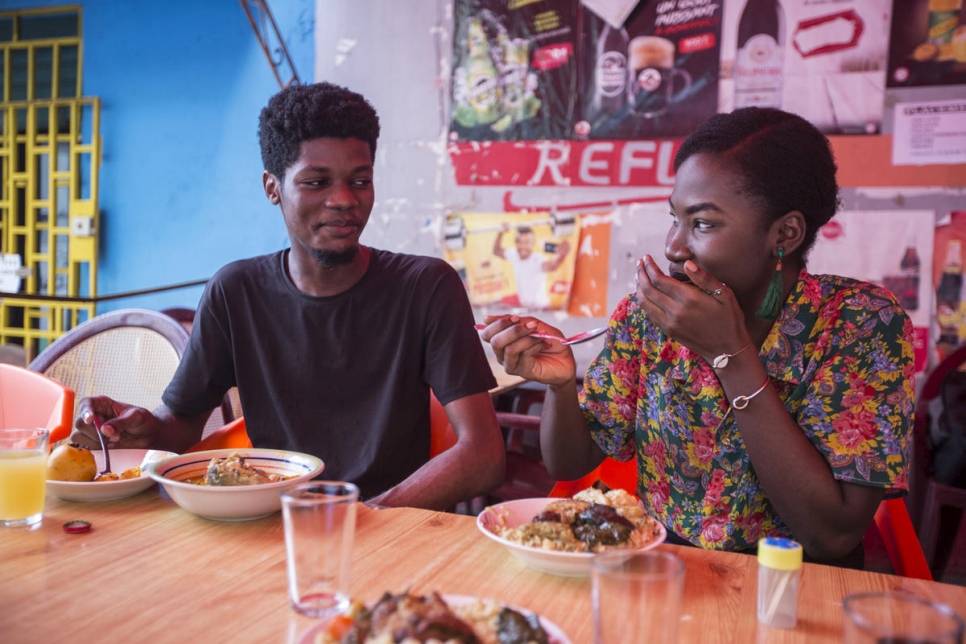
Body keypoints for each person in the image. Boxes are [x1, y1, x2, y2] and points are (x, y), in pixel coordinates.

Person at [481, 107, 914, 568]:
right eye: (676, 218)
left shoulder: (861, 324)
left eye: (703, 224)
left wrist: (730, 356)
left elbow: (833, 535)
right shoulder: (650, 318)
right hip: (663, 571)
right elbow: (570, 465)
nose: (674, 246)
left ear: (784, 233)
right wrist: (563, 386)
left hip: (796, 590)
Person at [71, 82, 506, 510]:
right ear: (272, 187)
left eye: (360, 180)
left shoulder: (426, 287)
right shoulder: (235, 292)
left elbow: (483, 455)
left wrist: (362, 519)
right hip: (268, 527)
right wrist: (141, 430)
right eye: (317, 182)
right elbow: (181, 426)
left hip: (393, 534)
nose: (344, 199)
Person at [492, 224, 571, 309]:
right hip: (524, 305)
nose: (523, 246)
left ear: (532, 243)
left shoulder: (538, 259)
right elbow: (496, 251)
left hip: (541, 307)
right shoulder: (513, 253)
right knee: (493, 303)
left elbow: (552, 266)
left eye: (527, 242)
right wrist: (500, 232)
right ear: (515, 242)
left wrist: (561, 255)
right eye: (519, 242)